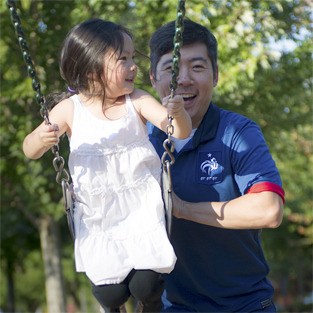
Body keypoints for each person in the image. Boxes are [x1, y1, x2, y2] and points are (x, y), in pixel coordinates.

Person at [23, 18, 192, 312]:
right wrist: (40, 137)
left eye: (132, 57)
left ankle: (151, 306)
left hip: (141, 208)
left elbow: (178, 131)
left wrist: (176, 114)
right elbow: (30, 149)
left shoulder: (136, 101)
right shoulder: (69, 109)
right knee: (110, 294)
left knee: (147, 285)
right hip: (98, 215)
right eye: (122, 59)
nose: (133, 66)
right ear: (91, 69)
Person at [149, 19, 285, 312]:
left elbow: (269, 209)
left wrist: (181, 209)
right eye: (171, 69)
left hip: (244, 304)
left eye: (197, 67)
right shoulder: (142, 141)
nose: (183, 79)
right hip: (174, 305)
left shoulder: (238, 132)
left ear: (216, 76)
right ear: (152, 78)